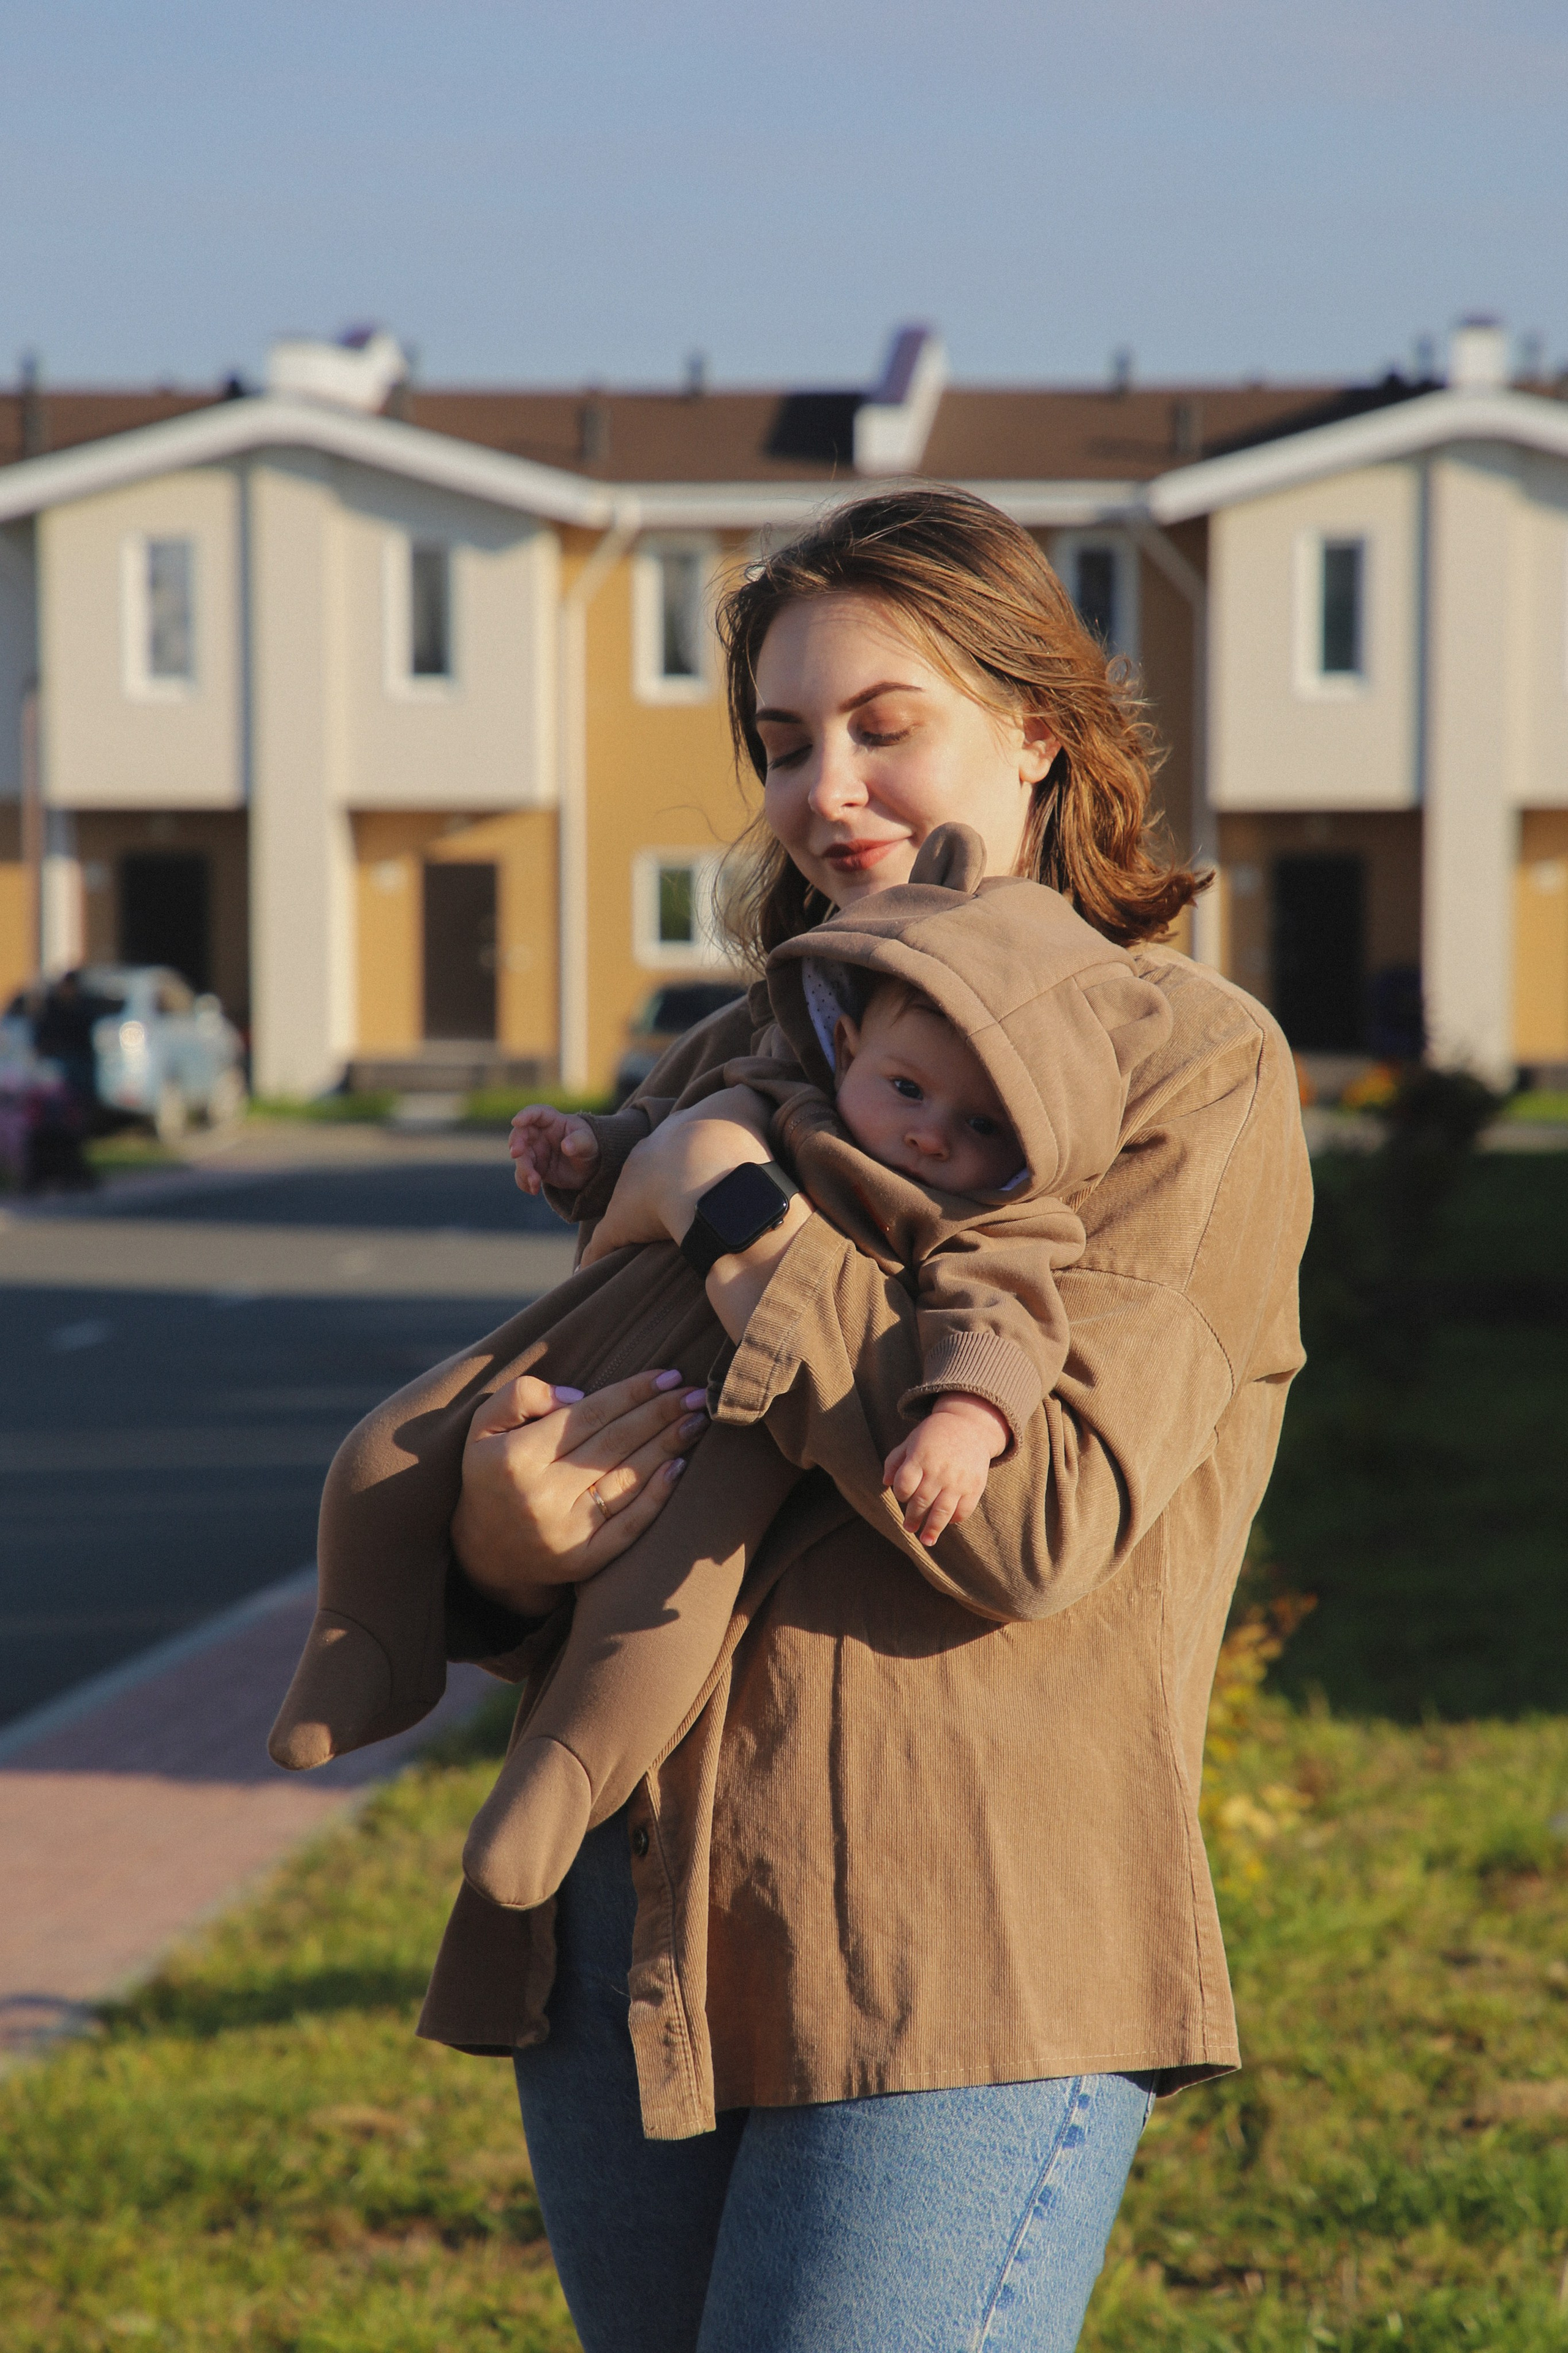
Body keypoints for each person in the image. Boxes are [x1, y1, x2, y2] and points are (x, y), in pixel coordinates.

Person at [279, 485, 1313, 2352]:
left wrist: (745, 1214)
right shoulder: (736, 1048)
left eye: (882, 725)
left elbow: (1030, 1520)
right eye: (779, 741)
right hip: (636, 1929)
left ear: (1040, 730)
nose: (821, 787)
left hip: (959, 1947)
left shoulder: (1187, 1063)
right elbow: (619, 1421)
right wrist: (507, 1539)